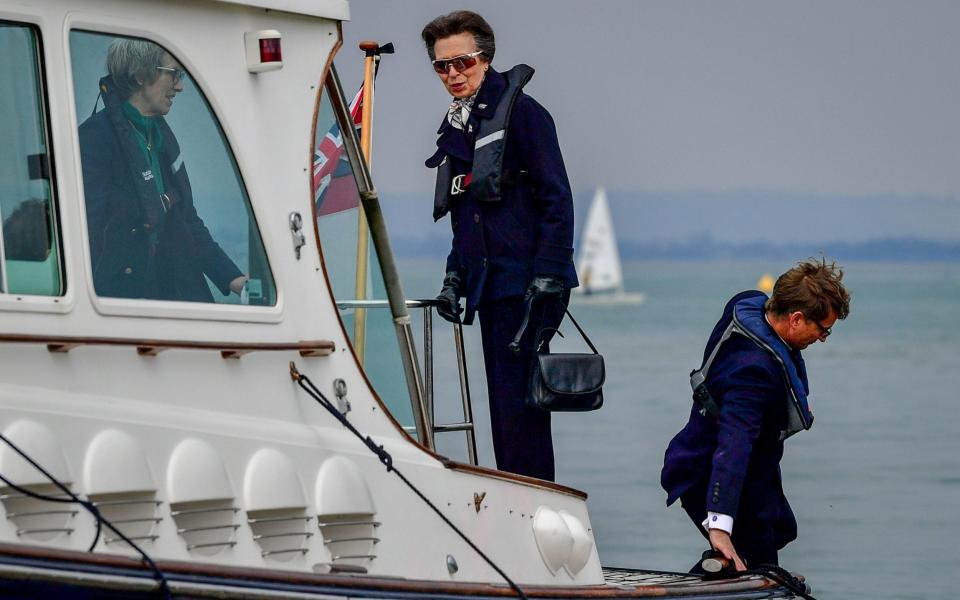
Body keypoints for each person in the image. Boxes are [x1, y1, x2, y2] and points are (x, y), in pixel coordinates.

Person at [421, 11, 578, 481]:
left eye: (462, 62)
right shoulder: (458, 125)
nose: (453, 74)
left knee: (522, 410)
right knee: (504, 406)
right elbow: (466, 216)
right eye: (441, 66)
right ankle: (518, 499)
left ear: (485, 60)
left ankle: (534, 506)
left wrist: (549, 274)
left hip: (529, 286)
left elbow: (557, 197)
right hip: (490, 287)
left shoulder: (524, 114)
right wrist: (455, 277)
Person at [661, 258, 851, 570]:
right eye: (823, 330)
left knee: (780, 530)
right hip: (708, 470)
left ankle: (724, 570)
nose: (822, 338)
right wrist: (720, 525)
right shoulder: (754, 372)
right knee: (752, 561)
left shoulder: (749, 303)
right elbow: (735, 443)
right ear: (796, 319)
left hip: (753, 470)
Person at [78, 38, 246, 302]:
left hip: (172, 293)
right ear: (140, 75)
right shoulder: (95, 138)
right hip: (123, 305)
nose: (179, 86)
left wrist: (235, 280)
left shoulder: (161, 138)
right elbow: (89, 229)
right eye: (173, 75)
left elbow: (186, 219)